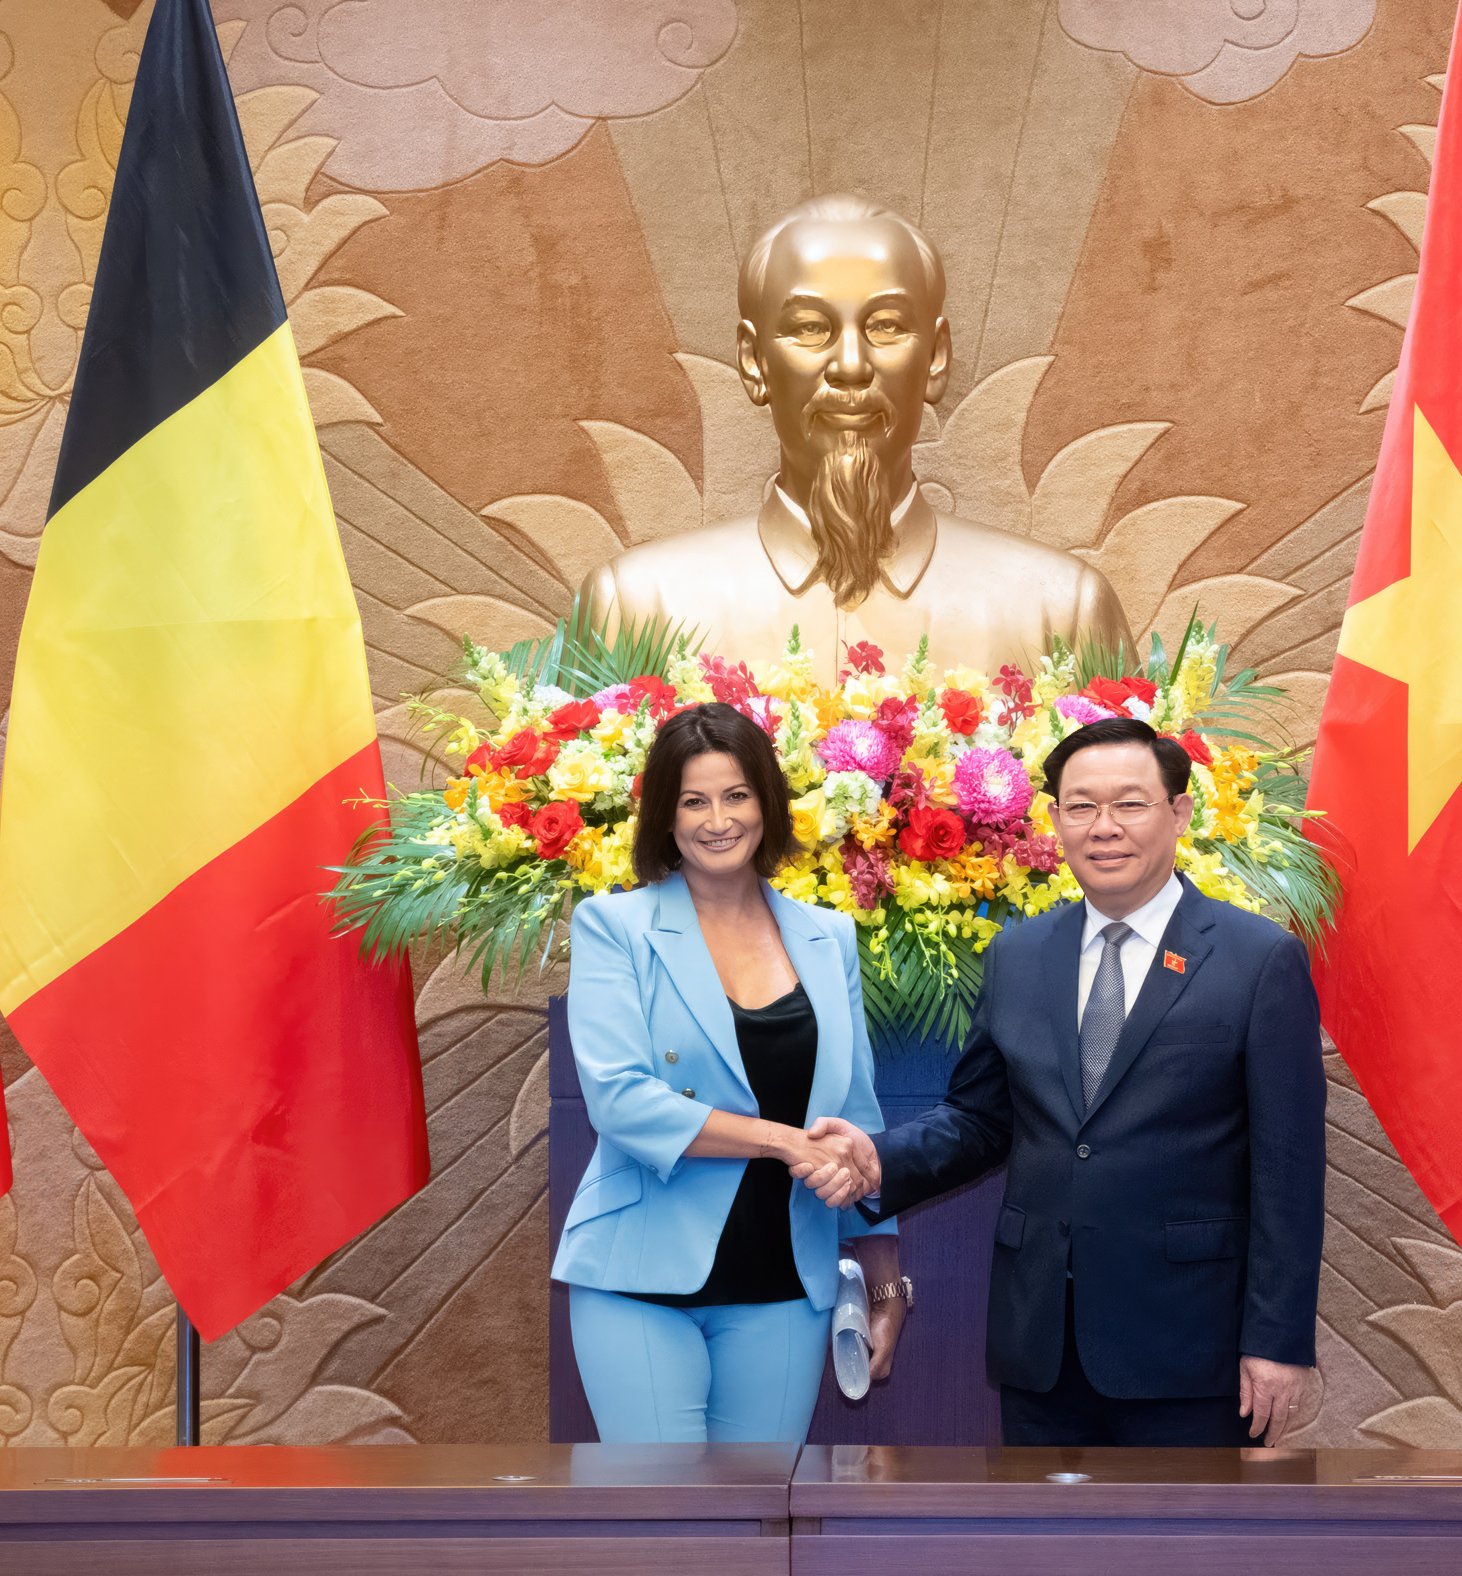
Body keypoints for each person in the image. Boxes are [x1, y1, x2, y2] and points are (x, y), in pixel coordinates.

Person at [812, 715, 1324, 1447]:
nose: (1104, 827)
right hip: (1042, 1346)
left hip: (1192, 1348)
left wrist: (1277, 1341)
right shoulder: (1019, 954)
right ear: (1054, 820)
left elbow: (1289, 1171)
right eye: (1081, 806)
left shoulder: (1257, 959)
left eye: (1130, 804)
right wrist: (876, 1158)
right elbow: (982, 1119)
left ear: (1179, 812)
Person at [574, 194, 1132, 675]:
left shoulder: (1062, 613)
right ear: (753, 361)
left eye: (886, 326)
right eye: (809, 328)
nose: (849, 366)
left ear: (936, 359)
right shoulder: (636, 609)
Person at [552, 701, 906, 1441]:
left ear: (767, 803)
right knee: (664, 1508)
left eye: (737, 795)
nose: (718, 820)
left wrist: (883, 1278)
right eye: (694, 801)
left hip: (787, 1280)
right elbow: (619, 1100)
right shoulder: (614, 927)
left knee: (758, 1509)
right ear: (665, 815)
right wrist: (782, 1141)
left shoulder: (829, 936)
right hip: (638, 1276)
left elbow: (856, 1117)